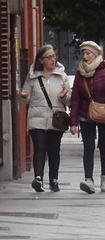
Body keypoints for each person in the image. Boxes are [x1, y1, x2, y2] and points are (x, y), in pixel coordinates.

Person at [69, 41, 105, 194]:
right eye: (83, 53)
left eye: (88, 53)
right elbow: (75, 99)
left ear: (96, 54)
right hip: (85, 114)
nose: (85, 56)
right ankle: (88, 179)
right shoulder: (80, 73)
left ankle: (104, 178)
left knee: (104, 145)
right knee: (88, 146)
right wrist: (73, 121)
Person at [18, 45, 70, 193]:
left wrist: (64, 96)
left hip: (56, 119)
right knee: (39, 147)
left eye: (54, 56)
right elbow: (25, 98)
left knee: (54, 150)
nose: (53, 59)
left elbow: (69, 100)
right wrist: (22, 95)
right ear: (41, 60)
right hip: (36, 118)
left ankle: (54, 180)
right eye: (49, 57)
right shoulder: (33, 76)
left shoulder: (62, 76)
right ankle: (38, 178)